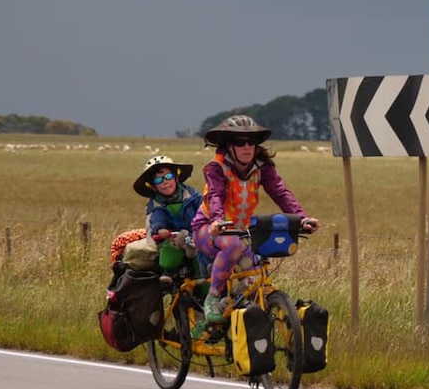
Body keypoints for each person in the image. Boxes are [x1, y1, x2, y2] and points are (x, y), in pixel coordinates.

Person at [191, 115, 319, 322]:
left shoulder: (262, 167)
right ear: (229, 145)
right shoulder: (216, 167)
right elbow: (215, 195)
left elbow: (280, 193)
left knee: (256, 275)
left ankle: (228, 304)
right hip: (208, 229)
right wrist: (217, 220)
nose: (247, 146)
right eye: (240, 142)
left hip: (239, 232)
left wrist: (301, 219)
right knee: (232, 246)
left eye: (252, 141)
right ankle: (212, 299)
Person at [132, 155, 203, 280]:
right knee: (170, 253)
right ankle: (170, 273)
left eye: (168, 177)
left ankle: (209, 293)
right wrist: (160, 229)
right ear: (153, 186)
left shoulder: (192, 195)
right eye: (158, 181)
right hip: (172, 238)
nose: (165, 182)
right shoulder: (156, 204)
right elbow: (157, 218)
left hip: (196, 236)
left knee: (204, 261)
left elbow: (204, 209)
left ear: (176, 178)